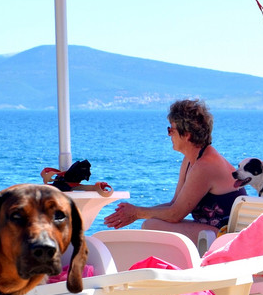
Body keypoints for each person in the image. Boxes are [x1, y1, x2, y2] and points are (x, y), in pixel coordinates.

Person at [104, 99, 245, 242]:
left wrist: (136, 213)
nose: (169, 135)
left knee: (151, 225)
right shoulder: (191, 161)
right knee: (152, 224)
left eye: (171, 130)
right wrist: (135, 212)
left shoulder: (205, 165)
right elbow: (174, 204)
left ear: (187, 134)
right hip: (214, 232)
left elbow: (176, 214)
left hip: (226, 237)